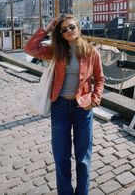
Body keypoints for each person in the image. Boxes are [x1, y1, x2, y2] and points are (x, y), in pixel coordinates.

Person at [24, 14, 105, 195]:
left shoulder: (92, 52)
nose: (68, 31)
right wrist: (47, 27)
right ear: (60, 33)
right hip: (60, 107)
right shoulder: (56, 50)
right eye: (63, 29)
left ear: (78, 27)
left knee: (83, 158)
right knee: (61, 157)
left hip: (82, 108)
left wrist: (94, 100)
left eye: (71, 27)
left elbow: (100, 79)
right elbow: (29, 48)